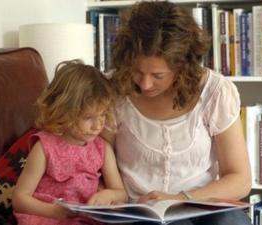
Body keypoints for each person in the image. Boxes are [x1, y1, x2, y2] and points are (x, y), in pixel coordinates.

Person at [102, 1, 252, 225]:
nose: (145, 84)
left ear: (182, 67)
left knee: (231, 221)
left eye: (158, 75)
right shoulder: (111, 90)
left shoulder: (214, 91)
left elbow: (240, 179)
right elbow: (96, 159)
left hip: (200, 204)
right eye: (137, 71)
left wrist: (180, 199)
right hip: (139, 211)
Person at [12, 59, 128, 225]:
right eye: (88, 118)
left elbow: (121, 193)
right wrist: (54, 212)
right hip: (47, 216)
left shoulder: (102, 149)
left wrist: (108, 195)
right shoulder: (45, 147)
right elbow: (19, 198)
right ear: (64, 112)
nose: (97, 126)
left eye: (102, 115)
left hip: (85, 218)